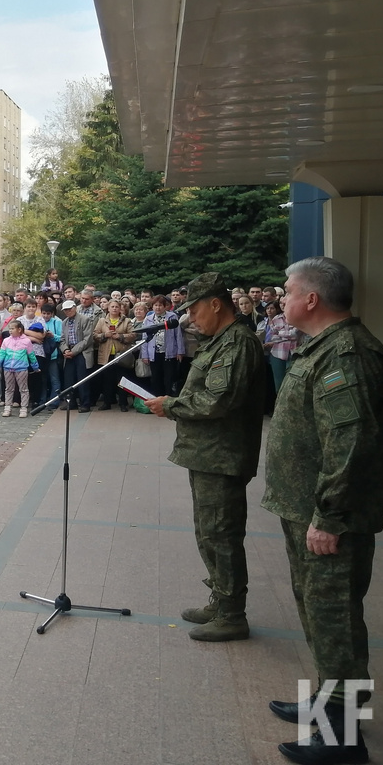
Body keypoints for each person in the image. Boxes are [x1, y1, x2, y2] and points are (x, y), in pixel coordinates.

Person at [262, 257, 383, 765]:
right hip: (308, 509)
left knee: (335, 615)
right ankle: (327, 702)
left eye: (288, 290)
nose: (283, 297)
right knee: (320, 611)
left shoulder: (347, 355)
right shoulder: (326, 348)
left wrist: (330, 515)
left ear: (311, 299)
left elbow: (351, 442)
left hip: (328, 516)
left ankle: (340, 736)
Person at [144, 273, 266, 642]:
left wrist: (172, 405)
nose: (191, 319)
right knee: (209, 531)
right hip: (207, 453)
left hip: (222, 455)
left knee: (222, 533)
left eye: (194, 310)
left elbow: (218, 400)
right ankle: (220, 599)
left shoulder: (237, 344)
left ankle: (232, 613)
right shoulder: (221, 341)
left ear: (216, 304)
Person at [0, 319, 37, 418]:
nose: (10, 331)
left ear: (19, 329)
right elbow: (1, 354)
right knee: (8, 389)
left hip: (21, 368)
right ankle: (7, 408)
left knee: (23, 389)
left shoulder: (26, 341)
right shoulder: (6, 341)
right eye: (9, 329)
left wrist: (35, 367)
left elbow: (31, 355)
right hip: (8, 367)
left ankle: (24, 408)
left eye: (12, 329)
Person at [58, 300, 94, 412]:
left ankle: (85, 403)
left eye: (69, 309)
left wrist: (74, 351)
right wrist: (65, 350)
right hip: (69, 353)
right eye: (65, 310)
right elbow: (62, 339)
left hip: (82, 352)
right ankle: (71, 402)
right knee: (68, 379)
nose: (68, 312)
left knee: (82, 379)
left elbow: (87, 339)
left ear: (75, 308)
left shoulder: (85, 319)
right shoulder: (64, 322)